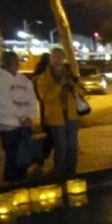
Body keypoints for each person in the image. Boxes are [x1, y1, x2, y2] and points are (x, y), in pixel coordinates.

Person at [0, 51, 37, 183]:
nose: (17, 66)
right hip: (9, 125)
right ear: (6, 64)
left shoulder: (23, 80)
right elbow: (3, 103)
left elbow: (32, 99)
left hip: (25, 124)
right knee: (13, 157)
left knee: (24, 156)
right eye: (14, 63)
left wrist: (30, 116)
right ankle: (12, 184)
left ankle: (22, 181)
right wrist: (21, 117)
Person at [36, 48, 82, 178]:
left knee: (72, 146)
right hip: (56, 118)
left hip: (72, 115)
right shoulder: (44, 77)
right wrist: (59, 86)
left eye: (60, 57)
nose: (57, 60)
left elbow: (82, 92)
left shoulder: (70, 74)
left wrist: (73, 86)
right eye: (54, 57)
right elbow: (46, 98)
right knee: (61, 147)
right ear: (50, 59)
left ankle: (71, 172)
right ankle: (60, 173)